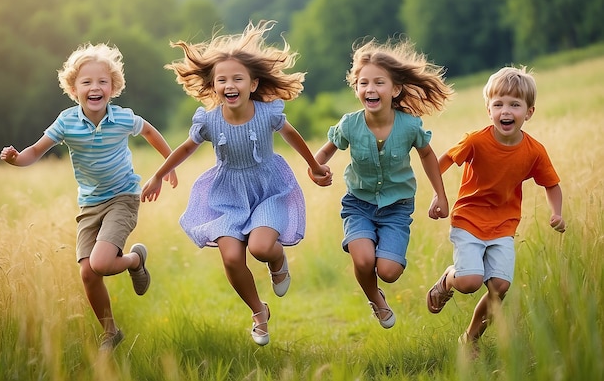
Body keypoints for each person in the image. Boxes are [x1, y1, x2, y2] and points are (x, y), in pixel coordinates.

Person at [141, 20, 331, 346]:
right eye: (222, 79)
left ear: (253, 84)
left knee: (259, 248)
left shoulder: (267, 113)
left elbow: (293, 136)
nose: (229, 84)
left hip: (268, 188)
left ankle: (277, 260)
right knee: (231, 257)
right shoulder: (209, 120)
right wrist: (159, 173)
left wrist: (314, 165)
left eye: (237, 78)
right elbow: (187, 147)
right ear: (214, 86)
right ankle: (259, 312)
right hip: (227, 193)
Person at [0, 43, 178, 353]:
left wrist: (166, 168)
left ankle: (135, 259)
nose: (95, 87)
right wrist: (16, 159)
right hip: (89, 204)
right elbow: (36, 151)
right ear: (74, 88)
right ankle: (111, 332)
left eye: (102, 82)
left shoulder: (122, 118)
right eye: (87, 82)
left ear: (113, 87)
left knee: (101, 262)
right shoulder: (66, 122)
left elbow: (150, 132)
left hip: (123, 197)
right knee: (88, 273)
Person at [312, 38, 453, 329]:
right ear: (357, 89)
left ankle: (382, 283)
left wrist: (440, 195)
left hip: (396, 208)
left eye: (379, 82)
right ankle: (375, 299)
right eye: (363, 83)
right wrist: (317, 168)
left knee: (388, 271)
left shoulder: (409, 125)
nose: (370, 89)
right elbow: (326, 151)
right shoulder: (349, 124)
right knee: (363, 260)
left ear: (395, 89)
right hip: (358, 204)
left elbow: (427, 155)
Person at [425, 66, 565, 352]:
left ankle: (471, 339)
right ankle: (448, 279)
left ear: (529, 112)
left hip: (504, 225)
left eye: (515, 104)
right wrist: (439, 195)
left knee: (500, 286)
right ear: (489, 110)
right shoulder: (477, 140)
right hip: (468, 219)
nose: (506, 110)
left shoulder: (534, 151)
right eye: (498, 104)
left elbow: (552, 184)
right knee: (469, 282)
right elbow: (445, 160)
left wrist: (557, 212)